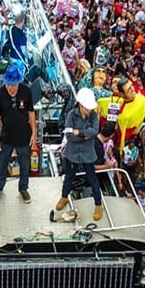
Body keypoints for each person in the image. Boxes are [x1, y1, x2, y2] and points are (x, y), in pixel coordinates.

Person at [0, 61, 36, 204]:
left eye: (14, 85)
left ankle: (23, 188)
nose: (11, 88)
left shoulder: (26, 91)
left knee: (25, 163)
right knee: (2, 163)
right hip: (6, 136)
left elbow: (31, 113)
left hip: (24, 135)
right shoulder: (0, 94)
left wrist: (34, 133)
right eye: (9, 85)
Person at [58, 88, 104, 221]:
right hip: (73, 153)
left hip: (87, 154)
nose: (90, 110)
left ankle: (98, 205)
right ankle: (64, 197)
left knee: (92, 179)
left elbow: (95, 130)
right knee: (69, 177)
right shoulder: (71, 115)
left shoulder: (93, 116)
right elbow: (69, 135)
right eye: (87, 107)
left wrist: (79, 132)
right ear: (81, 105)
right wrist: (85, 135)